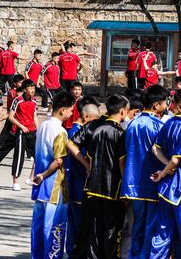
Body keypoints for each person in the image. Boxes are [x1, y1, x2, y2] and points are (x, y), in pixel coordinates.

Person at [67, 94, 129, 259]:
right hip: (112, 188)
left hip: (91, 185)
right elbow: (121, 164)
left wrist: (87, 165)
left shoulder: (94, 126)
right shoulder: (120, 133)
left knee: (92, 227)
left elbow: (71, 143)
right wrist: (125, 189)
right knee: (111, 228)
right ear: (122, 111)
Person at [119, 85, 167, 258]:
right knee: (151, 227)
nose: (166, 105)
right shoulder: (158, 126)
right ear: (155, 105)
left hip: (133, 183)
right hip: (152, 183)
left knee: (137, 226)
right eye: (164, 102)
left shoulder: (132, 124)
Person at [31, 91, 76, 259]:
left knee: (38, 226)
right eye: (71, 110)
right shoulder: (60, 131)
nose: (71, 113)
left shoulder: (43, 125)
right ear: (63, 110)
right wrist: (44, 175)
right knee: (54, 227)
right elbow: (58, 161)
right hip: (54, 187)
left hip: (40, 186)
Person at [64, 102, 101, 257]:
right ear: (86, 116)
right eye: (94, 119)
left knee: (73, 221)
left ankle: (72, 250)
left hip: (72, 182)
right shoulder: (79, 134)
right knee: (79, 222)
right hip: (78, 182)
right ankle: (77, 252)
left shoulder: (73, 131)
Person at [149, 90, 181, 259]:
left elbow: (155, 147)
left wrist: (163, 167)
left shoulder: (168, 124)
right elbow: (176, 160)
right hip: (178, 187)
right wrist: (165, 170)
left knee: (162, 233)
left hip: (166, 187)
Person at [8, 79, 38, 191]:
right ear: (25, 89)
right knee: (19, 156)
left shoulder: (34, 101)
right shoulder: (17, 100)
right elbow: (11, 117)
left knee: (37, 156)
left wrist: (37, 129)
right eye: (30, 88)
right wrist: (21, 126)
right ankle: (15, 181)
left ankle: (31, 178)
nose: (32, 90)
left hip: (32, 131)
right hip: (21, 132)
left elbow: (35, 116)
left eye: (33, 88)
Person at [0, 74, 26, 167]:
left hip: (18, 118)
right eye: (20, 82)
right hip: (12, 117)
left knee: (23, 137)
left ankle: (30, 154)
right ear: (15, 83)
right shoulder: (12, 92)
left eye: (22, 82)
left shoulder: (20, 91)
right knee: (4, 137)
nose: (21, 84)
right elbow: (17, 99)